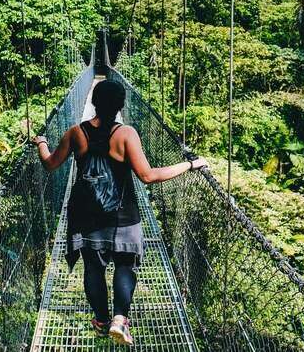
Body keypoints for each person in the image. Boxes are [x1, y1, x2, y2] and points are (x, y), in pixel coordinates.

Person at [32, 79, 207, 346]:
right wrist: (189, 165)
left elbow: (50, 164)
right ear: (121, 105)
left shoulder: (75, 133)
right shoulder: (126, 134)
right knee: (125, 264)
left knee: (93, 268)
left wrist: (41, 142)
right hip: (123, 214)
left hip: (86, 214)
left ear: (92, 102)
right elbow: (148, 176)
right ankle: (119, 319)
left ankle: (101, 320)